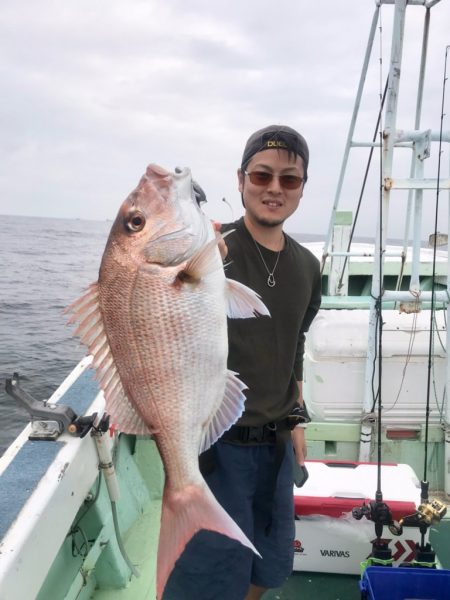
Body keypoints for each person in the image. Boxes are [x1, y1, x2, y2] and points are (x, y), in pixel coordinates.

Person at [164, 125, 322, 600]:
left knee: (264, 566)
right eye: (262, 175)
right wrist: (193, 263)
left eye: (288, 180)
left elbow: (294, 342)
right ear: (241, 180)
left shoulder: (308, 267)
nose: (274, 189)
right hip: (216, 449)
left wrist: (296, 415)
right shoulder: (209, 253)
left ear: (300, 188)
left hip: (274, 448)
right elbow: (160, 309)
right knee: (206, 579)